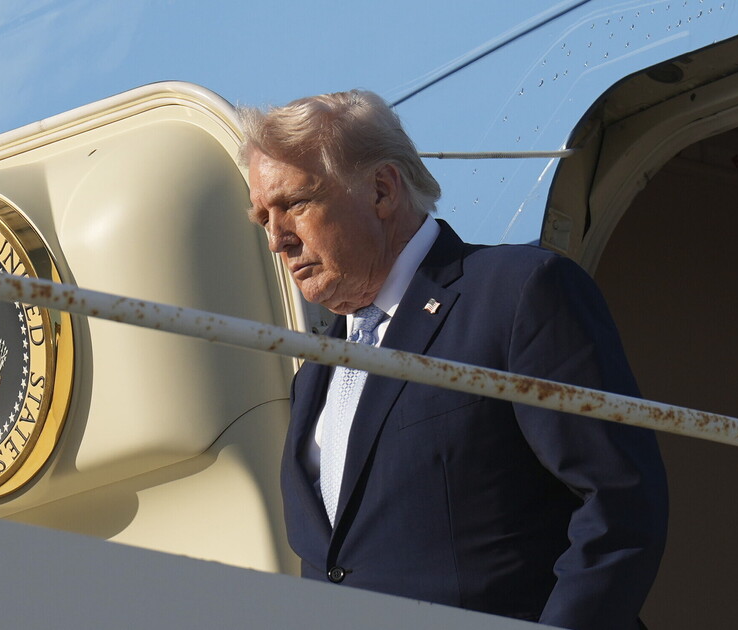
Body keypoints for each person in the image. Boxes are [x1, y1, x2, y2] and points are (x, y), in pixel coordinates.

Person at [239, 90, 668, 630]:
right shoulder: (314, 378)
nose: (276, 239)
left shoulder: (518, 294)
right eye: (263, 217)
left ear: (382, 190)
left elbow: (620, 503)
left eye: (296, 204)